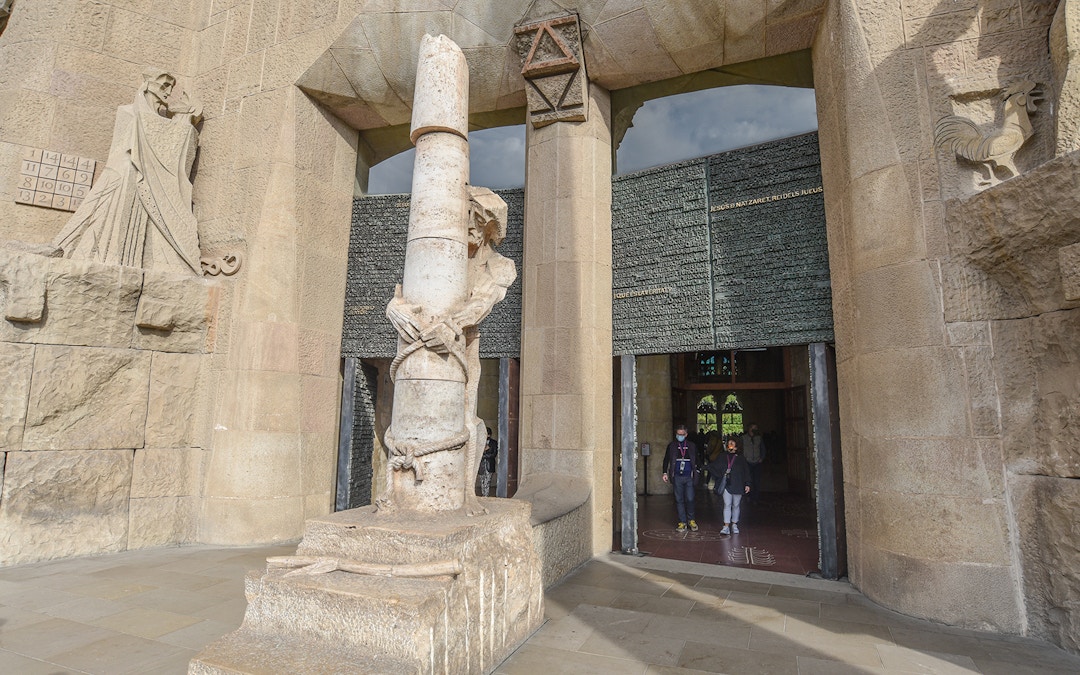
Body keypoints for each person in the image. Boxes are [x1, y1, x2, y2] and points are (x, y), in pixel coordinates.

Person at [54, 69, 203, 274]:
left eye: (171, 87)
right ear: (149, 85)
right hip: (125, 176)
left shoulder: (163, 123)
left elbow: (174, 148)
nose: (168, 92)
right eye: (164, 85)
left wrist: (186, 119)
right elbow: (119, 151)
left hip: (148, 181)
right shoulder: (128, 112)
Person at [661, 424, 699, 532]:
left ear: (686, 434)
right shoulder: (672, 445)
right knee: (679, 499)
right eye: (678, 434)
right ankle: (682, 522)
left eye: (682, 434)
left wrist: (698, 471)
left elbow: (697, 459)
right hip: (677, 476)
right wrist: (664, 472)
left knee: (690, 498)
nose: (680, 436)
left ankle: (691, 520)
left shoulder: (691, 445)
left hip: (689, 476)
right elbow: (666, 459)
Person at [709, 438, 750, 534]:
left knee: (736, 505)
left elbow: (746, 471)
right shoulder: (722, 456)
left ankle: (734, 524)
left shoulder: (741, 458)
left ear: (737, 446)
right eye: (729, 443)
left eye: (732, 443)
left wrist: (748, 483)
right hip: (727, 484)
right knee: (727, 504)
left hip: (738, 484)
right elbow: (714, 467)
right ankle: (726, 526)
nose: (730, 444)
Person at [741, 423, 766, 503]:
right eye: (753, 428)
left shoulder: (759, 438)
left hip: (757, 462)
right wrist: (743, 459)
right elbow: (740, 449)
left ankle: (755, 497)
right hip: (747, 462)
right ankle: (748, 495)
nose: (755, 429)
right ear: (749, 428)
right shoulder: (743, 438)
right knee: (748, 480)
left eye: (756, 428)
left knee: (756, 480)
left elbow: (762, 448)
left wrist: (762, 458)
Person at [478, 426, 498, 497]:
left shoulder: (494, 443)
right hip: (481, 465)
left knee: (487, 482)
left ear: (489, 434)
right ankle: (483, 495)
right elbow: (477, 453)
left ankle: (485, 496)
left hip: (489, 465)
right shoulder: (479, 442)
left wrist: (484, 454)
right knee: (482, 482)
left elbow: (494, 454)